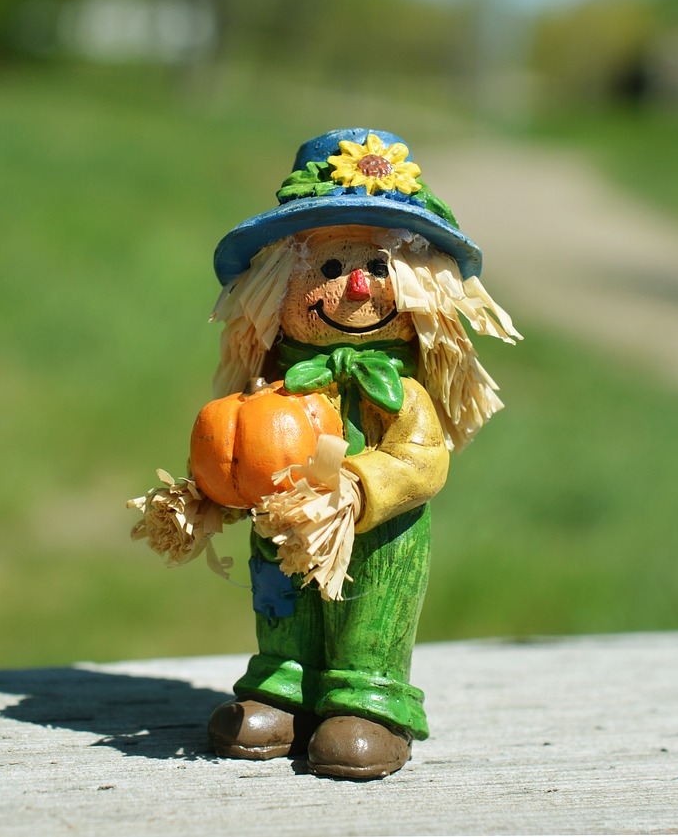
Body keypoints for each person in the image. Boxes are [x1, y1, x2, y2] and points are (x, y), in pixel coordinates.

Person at [202, 129, 521, 780]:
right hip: (284, 530)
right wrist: (204, 493)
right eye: (327, 267)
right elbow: (235, 441)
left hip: (377, 538)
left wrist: (354, 488)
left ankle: (364, 699)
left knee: (368, 610)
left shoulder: (398, 391)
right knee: (281, 601)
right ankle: (282, 686)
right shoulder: (274, 384)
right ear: (275, 285)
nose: (353, 287)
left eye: (377, 268)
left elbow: (421, 458)